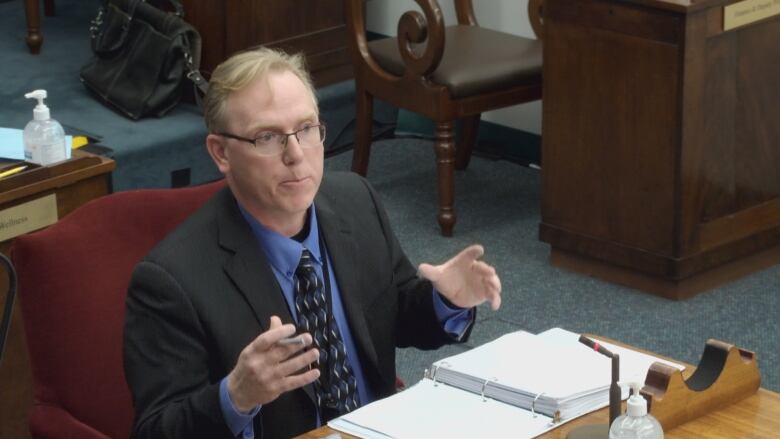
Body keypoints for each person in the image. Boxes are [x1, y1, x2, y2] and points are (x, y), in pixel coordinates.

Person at [123, 47, 502, 439]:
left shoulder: (356, 201)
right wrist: (235, 396)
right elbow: (156, 432)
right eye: (267, 137)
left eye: (306, 128)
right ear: (221, 153)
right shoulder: (171, 281)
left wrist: (446, 300)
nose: (296, 153)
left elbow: (398, 317)